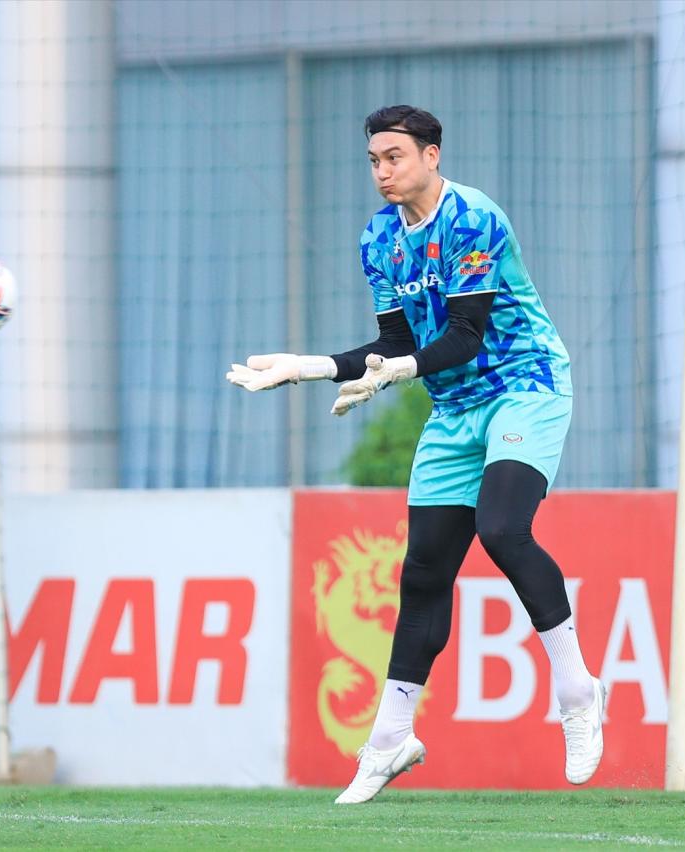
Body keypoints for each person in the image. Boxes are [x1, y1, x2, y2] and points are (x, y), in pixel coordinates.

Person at [226, 105, 604, 803]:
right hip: (454, 409)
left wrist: (397, 372)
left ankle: (578, 692)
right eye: (374, 160)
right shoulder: (378, 238)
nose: (382, 172)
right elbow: (396, 343)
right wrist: (308, 367)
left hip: (524, 387)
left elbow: (464, 333)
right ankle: (389, 740)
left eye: (394, 157)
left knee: (501, 528)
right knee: (424, 571)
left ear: (431, 155)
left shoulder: (474, 217)